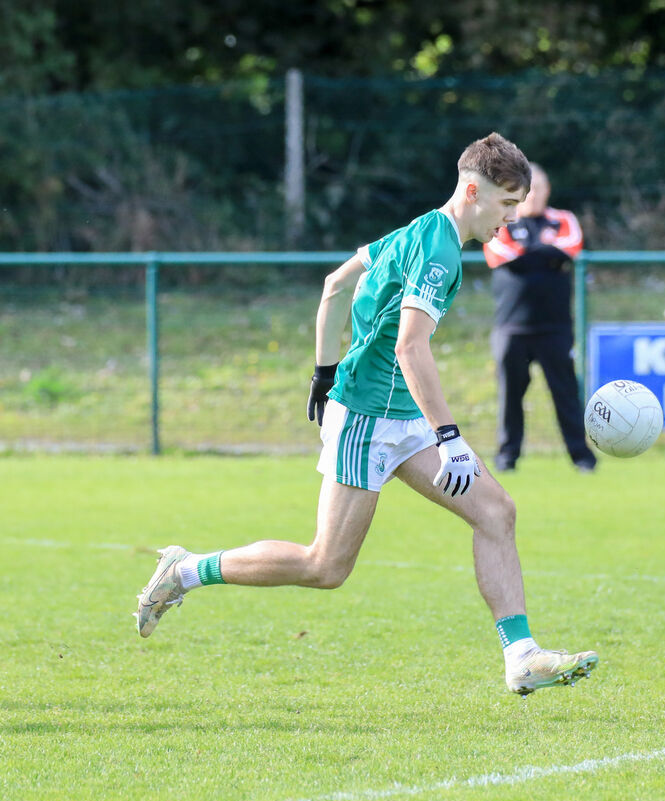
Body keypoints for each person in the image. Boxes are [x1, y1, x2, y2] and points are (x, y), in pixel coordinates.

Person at [134, 133, 599, 697]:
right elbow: (409, 347)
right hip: (369, 419)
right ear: (473, 191)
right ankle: (184, 570)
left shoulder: (419, 229)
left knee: (496, 512)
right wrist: (449, 438)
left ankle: (521, 656)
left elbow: (335, 286)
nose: (510, 217)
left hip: (400, 415)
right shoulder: (439, 250)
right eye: (505, 203)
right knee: (325, 566)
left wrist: (324, 370)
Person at [483, 163, 597, 473]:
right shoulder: (499, 221)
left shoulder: (564, 219)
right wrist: (545, 254)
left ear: (547, 191)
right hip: (511, 327)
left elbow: (569, 248)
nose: (533, 195)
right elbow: (500, 255)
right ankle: (507, 458)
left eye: (539, 188)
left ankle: (582, 459)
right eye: (528, 190)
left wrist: (528, 253)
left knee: (566, 394)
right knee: (510, 397)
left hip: (555, 328)